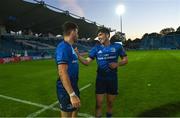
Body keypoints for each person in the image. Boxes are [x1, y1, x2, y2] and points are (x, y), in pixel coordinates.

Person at [75, 28, 128, 117]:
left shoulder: (117, 47)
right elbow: (87, 62)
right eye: (98, 35)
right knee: (98, 104)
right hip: (100, 79)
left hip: (112, 79)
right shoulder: (96, 48)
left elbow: (125, 60)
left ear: (107, 35)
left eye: (100, 34)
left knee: (110, 103)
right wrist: (78, 55)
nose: (98, 37)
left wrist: (117, 64)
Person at [55, 22, 80, 117]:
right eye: (77, 32)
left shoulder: (70, 47)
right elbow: (62, 72)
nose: (78, 35)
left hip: (73, 86)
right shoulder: (63, 47)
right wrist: (72, 94)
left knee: (76, 109)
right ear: (73, 31)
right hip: (65, 90)